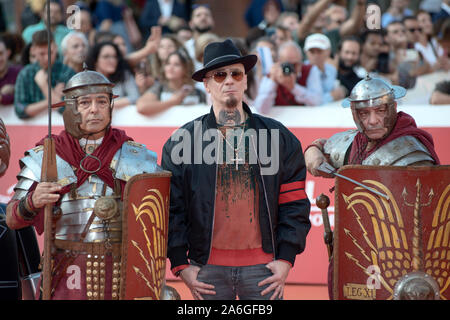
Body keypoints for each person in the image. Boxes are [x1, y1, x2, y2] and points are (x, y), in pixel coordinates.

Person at [161, 39, 311, 300]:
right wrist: (180, 264)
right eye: (219, 75)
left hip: (264, 269)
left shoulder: (278, 137)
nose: (228, 80)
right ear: (207, 84)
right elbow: (172, 208)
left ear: (244, 81)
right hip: (206, 269)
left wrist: (286, 258)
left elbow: (294, 203)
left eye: (236, 73)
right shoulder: (182, 142)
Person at [5, 68, 161, 300]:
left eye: (101, 101)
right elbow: (12, 219)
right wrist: (33, 201)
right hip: (65, 276)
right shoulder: (47, 155)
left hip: (118, 275)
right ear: (71, 108)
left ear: (110, 106)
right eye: (85, 102)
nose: (94, 109)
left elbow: (156, 224)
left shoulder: (134, 156)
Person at [304, 75, 440, 299]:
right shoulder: (355, 142)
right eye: (364, 114)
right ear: (355, 114)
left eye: (380, 111)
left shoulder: (412, 153)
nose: (373, 121)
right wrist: (313, 150)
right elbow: (323, 146)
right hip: (354, 250)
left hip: (397, 258)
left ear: (393, 108)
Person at [14, 30, 75, 119]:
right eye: (42, 54)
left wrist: (44, 86)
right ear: (33, 50)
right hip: (32, 130)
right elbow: (20, 110)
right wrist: (53, 96)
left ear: (56, 47)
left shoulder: (67, 72)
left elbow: (69, 110)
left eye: (50, 52)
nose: (47, 58)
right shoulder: (25, 73)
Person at [254, 40, 322, 114]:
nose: (292, 69)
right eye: (288, 64)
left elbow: (317, 101)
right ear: (279, 62)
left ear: (301, 61)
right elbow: (261, 109)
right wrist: (272, 81)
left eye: (295, 64)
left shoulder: (310, 70)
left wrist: (294, 88)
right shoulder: (272, 73)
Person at [136, 48, 206, 116]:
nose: (170, 68)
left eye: (176, 64)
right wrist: (173, 102)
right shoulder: (159, 88)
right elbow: (141, 107)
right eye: (168, 64)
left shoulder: (198, 93)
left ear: (185, 69)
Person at [85, 41, 139, 109]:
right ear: (95, 61)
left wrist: (109, 105)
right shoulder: (86, 80)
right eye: (106, 56)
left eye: (114, 56)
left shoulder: (124, 74)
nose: (112, 60)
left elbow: (135, 97)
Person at [303, 33, 346, 104]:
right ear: (305, 52)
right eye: (312, 51)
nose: (316, 55)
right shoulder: (301, 71)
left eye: (319, 51)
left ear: (328, 52)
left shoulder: (331, 70)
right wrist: (332, 96)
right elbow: (308, 101)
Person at [0, 36, 22, 106]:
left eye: (0, 53)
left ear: (8, 53)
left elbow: (29, 96)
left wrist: (14, 89)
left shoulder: (20, 72)